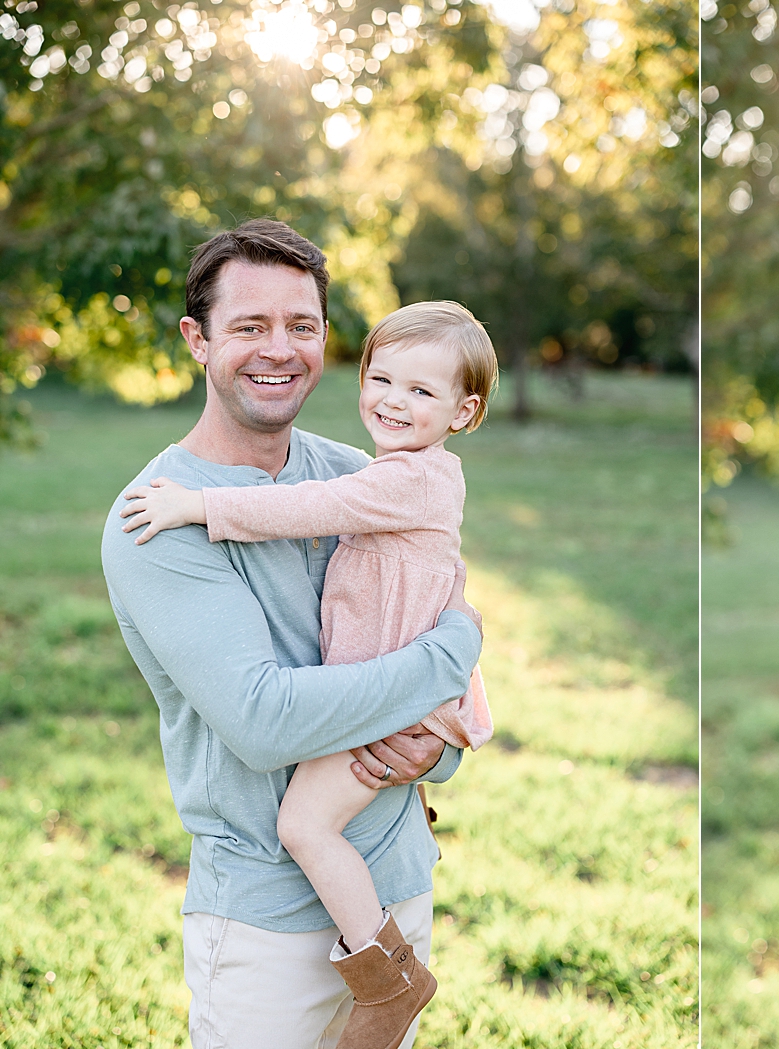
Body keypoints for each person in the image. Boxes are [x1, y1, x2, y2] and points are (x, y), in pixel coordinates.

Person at [101, 220, 483, 1049]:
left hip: (396, 889)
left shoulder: (366, 474)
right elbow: (266, 720)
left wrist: (436, 750)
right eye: (250, 326)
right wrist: (450, 653)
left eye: (302, 326)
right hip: (266, 922)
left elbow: (433, 634)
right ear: (197, 340)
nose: (281, 349)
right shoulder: (155, 517)